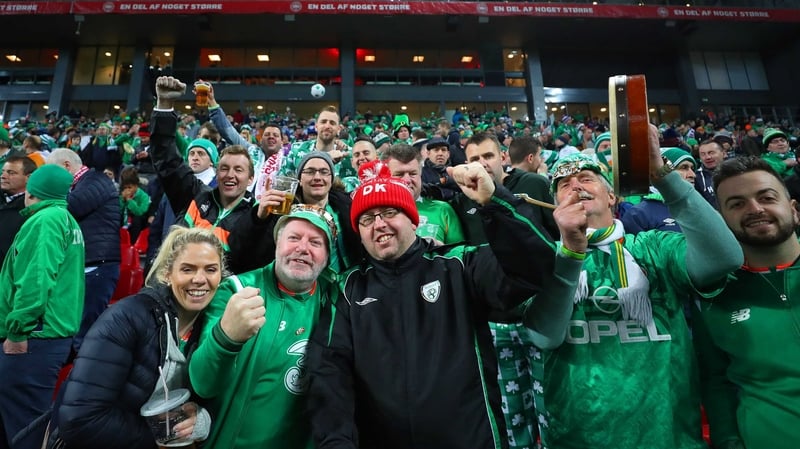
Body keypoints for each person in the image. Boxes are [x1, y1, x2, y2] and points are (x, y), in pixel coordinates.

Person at [307, 160, 556, 449]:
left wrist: (496, 201)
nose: (379, 224)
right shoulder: (347, 289)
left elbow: (536, 267)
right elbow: (329, 373)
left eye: (390, 212)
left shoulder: (459, 265)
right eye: (366, 219)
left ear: (413, 219)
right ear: (359, 234)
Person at [521, 126, 743, 449]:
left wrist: (663, 176)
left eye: (586, 179)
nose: (575, 187)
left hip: (668, 435)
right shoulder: (543, 261)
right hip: (577, 437)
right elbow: (545, 336)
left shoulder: (653, 246)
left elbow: (726, 257)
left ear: (612, 196)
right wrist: (569, 253)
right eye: (564, 186)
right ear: (554, 207)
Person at [55, 227, 221, 449]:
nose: (200, 279)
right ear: (166, 274)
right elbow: (79, 419)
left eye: (211, 269)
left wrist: (200, 419)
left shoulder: (215, 328)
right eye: (187, 269)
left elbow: (214, 398)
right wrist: (159, 436)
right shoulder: (126, 317)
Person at [189, 205, 338, 449]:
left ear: (327, 256)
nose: (303, 248)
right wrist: (225, 338)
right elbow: (203, 384)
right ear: (277, 244)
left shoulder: (335, 300)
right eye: (293, 238)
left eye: (315, 242)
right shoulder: (236, 291)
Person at [693, 157, 800, 449]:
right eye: (736, 204)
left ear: (794, 210)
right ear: (722, 224)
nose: (755, 210)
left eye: (766, 197)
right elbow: (716, 384)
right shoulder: (714, 294)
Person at [150, 75, 273, 274]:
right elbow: (166, 159)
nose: (230, 175)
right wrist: (164, 105)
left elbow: (254, 264)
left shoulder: (256, 217)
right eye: (224, 168)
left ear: (251, 179)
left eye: (238, 170)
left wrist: (261, 220)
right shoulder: (195, 195)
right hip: (171, 293)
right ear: (216, 171)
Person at [0, 165, 84, 449]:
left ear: (32, 189)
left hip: (35, 335)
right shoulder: (66, 219)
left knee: (24, 423)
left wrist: (18, 329)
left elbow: (36, 280)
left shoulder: (45, 221)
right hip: (50, 333)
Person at [47, 149, 121, 353]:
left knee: (84, 332)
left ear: (66, 166)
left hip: (98, 265)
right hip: (88, 264)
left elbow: (71, 208)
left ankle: (81, 378)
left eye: (52, 172)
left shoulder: (95, 181)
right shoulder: (83, 184)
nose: (49, 179)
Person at [379, 144, 465, 245]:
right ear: (384, 178)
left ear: (420, 174)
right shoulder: (374, 215)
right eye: (399, 174)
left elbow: (460, 255)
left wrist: (441, 251)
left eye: (413, 174)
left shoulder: (443, 210)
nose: (407, 180)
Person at [621, 147, 697, 234]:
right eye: (684, 167)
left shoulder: (700, 208)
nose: (693, 175)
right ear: (663, 172)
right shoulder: (639, 214)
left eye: (693, 169)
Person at [279, 105, 354, 179]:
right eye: (323, 122)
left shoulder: (349, 155)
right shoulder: (297, 150)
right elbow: (281, 182)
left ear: (339, 129)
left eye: (332, 123)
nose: (327, 126)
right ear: (316, 127)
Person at [0, 156, 35, 265]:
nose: (3, 176)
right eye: (3, 172)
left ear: (28, 178)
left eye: (11, 173)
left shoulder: (31, 209)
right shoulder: (3, 200)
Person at [695, 139, 726, 209]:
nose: (707, 157)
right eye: (703, 154)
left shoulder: (736, 173)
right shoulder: (696, 178)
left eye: (711, 153)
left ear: (724, 153)